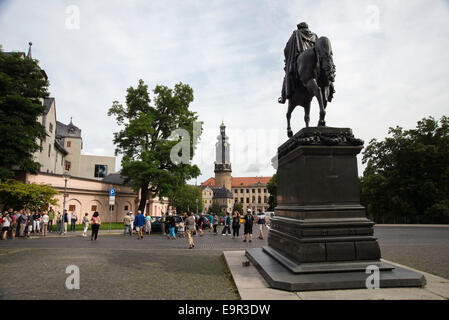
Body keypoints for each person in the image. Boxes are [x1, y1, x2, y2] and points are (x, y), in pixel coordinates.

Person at [279, 21, 319, 104]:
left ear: (299, 27)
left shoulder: (296, 33)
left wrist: (288, 59)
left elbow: (286, 49)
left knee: (287, 74)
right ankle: (330, 87)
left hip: (299, 57)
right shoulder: (314, 36)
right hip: (315, 59)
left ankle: (283, 97)